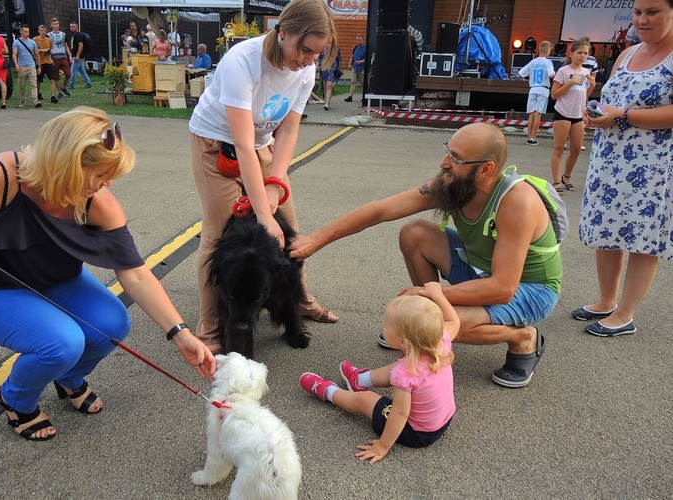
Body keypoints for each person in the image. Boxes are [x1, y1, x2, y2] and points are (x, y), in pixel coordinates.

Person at [0, 107, 216, 441]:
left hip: (53, 282)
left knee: (112, 324)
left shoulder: (100, 203)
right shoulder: (0, 177)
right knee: (62, 342)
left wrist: (180, 334)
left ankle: (69, 378)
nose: (108, 183)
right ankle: (16, 398)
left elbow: (135, 274)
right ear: (66, 166)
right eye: (100, 174)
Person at [290, 122, 561, 388]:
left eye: (456, 158)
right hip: (480, 270)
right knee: (414, 233)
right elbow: (379, 211)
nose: (444, 162)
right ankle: (424, 325)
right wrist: (316, 240)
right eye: (448, 150)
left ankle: (524, 338)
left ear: (486, 169)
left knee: (436, 321)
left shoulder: (517, 201)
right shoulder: (453, 184)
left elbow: (502, 288)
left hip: (531, 289)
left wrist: (427, 297)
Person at [188, 0, 340, 355]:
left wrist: (275, 186)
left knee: (289, 229)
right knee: (218, 233)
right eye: (305, 50)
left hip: (262, 143)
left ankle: (298, 301)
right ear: (283, 31)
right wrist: (261, 212)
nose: (308, 61)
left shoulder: (306, 71)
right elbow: (241, 144)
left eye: (317, 54)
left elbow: (287, 134)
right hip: (216, 142)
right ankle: (209, 328)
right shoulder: (243, 60)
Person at [577, 0, 673, 337]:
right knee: (607, 231)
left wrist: (622, 116)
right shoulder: (627, 54)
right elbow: (612, 100)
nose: (642, 20)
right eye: (638, 12)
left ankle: (625, 314)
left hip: (653, 164)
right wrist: (597, 113)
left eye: (653, 12)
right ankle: (606, 301)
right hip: (610, 158)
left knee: (642, 238)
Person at [300, 287, 458, 462]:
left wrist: (382, 446)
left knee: (364, 399)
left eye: (387, 324)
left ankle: (328, 392)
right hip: (444, 420)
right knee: (400, 366)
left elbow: (400, 414)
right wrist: (437, 294)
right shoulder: (440, 340)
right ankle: (359, 380)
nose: (384, 325)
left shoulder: (404, 374)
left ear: (403, 341)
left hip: (417, 432)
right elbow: (453, 320)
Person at [550, 37, 595, 195]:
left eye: (586, 53)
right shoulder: (564, 71)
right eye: (580, 52)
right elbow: (554, 95)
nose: (583, 56)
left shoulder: (586, 72)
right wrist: (570, 83)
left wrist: (593, 86)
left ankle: (566, 177)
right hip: (563, 113)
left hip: (577, 114)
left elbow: (584, 95)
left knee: (576, 149)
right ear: (571, 54)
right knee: (559, 148)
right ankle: (556, 181)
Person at [518, 40, 555, 145]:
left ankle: (529, 136)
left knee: (531, 114)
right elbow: (551, 75)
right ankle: (533, 138)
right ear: (548, 51)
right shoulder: (548, 62)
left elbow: (521, 73)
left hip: (533, 88)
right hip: (543, 89)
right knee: (538, 114)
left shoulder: (533, 61)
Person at [13, 25, 42, 108]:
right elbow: (14, 54)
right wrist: (16, 65)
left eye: (28, 32)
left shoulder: (32, 42)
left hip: (31, 65)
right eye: (25, 32)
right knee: (22, 84)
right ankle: (23, 99)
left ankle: (35, 101)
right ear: (21, 32)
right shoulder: (17, 42)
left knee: (34, 84)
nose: (27, 33)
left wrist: (39, 66)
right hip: (22, 66)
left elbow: (36, 54)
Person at [48, 17, 72, 98]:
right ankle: (60, 91)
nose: (56, 26)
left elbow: (65, 45)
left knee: (68, 73)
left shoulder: (63, 34)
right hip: (54, 56)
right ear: (51, 25)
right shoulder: (49, 35)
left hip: (63, 56)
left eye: (57, 24)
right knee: (56, 76)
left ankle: (64, 87)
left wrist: (70, 55)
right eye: (54, 24)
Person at [67, 21, 92, 89]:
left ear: (77, 27)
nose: (71, 28)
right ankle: (89, 83)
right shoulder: (75, 35)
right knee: (82, 71)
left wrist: (77, 55)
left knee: (73, 70)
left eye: (73, 27)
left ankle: (71, 85)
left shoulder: (78, 35)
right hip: (78, 55)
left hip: (78, 56)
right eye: (71, 27)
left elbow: (81, 45)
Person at [33, 25, 53, 103]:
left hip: (48, 61)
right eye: (42, 31)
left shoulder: (49, 40)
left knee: (52, 79)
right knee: (38, 80)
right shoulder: (35, 39)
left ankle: (52, 96)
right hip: (39, 62)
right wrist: (42, 50)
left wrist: (48, 51)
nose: (43, 32)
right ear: (39, 31)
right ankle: (38, 93)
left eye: (45, 31)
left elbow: (51, 49)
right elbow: (33, 50)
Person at [317, 44, 341, 110]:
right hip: (323, 68)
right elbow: (319, 58)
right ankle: (326, 101)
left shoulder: (336, 47)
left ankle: (327, 103)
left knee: (329, 85)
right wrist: (317, 66)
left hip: (333, 68)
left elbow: (339, 59)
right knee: (325, 86)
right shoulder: (322, 46)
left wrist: (340, 69)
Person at [344, 34, 366, 103]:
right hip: (355, 68)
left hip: (362, 68)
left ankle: (364, 97)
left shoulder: (365, 48)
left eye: (359, 40)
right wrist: (349, 64)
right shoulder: (355, 48)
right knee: (353, 82)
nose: (358, 41)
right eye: (357, 40)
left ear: (363, 40)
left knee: (363, 83)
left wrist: (361, 61)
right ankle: (350, 96)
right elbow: (352, 56)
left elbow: (367, 58)